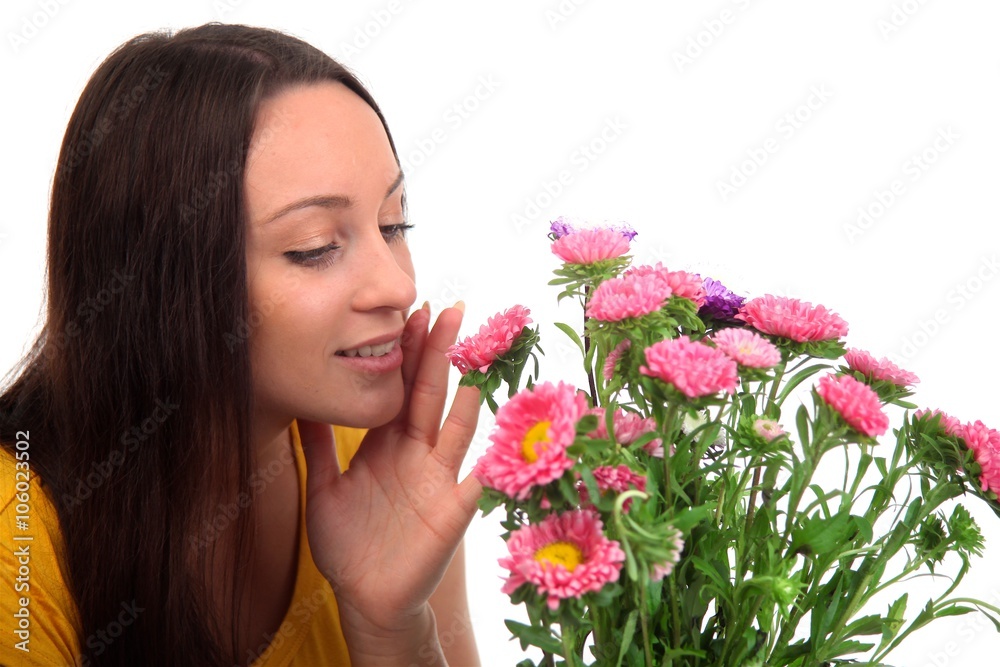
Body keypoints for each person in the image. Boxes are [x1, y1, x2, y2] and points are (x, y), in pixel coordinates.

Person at [0, 23, 483, 666]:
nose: (399, 285)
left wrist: (392, 628)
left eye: (393, 224)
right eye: (315, 247)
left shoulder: (374, 464)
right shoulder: (16, 547)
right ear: (160, 284)